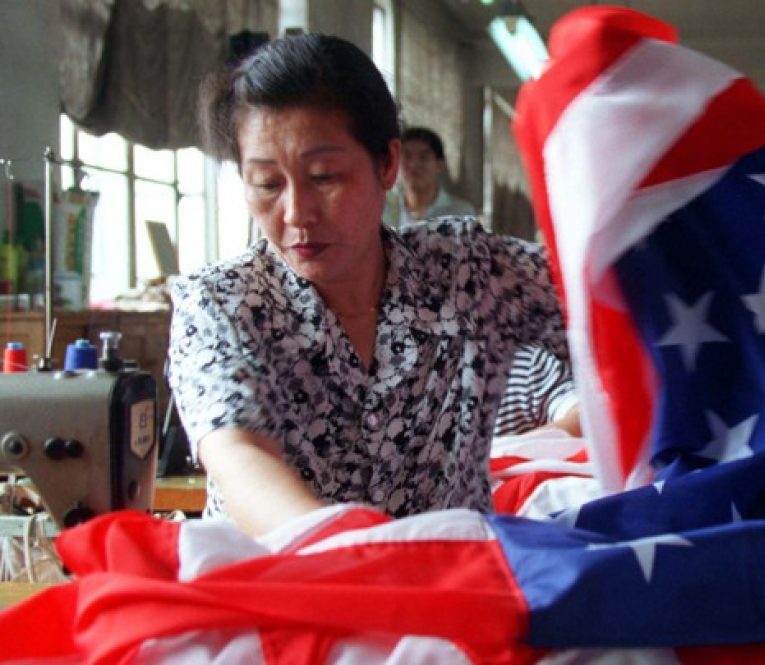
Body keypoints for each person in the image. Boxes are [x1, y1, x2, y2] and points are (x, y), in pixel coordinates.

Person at [170, 33, 568, 536]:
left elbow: (607, 290)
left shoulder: (465, 273)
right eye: (267, 183)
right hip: (283, 600)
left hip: (444, 600)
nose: (297, 213)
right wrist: (357, 559)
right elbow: (238, 454)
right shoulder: (222, 305)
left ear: (387, 164)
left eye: (324, 177)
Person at [382, 126, 475, 228]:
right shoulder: (383, 210)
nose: (413, 165)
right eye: (407, 156)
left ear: (440, 164)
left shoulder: (460, 214)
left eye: (423, 157)